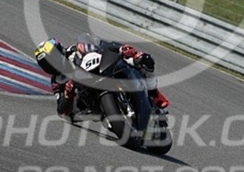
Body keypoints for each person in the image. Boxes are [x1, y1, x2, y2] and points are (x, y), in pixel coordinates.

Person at [34, 36, 170, 117]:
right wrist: (68, 94)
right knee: (72, 114)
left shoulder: (76, 50)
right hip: (88, 98)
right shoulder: (57, 81)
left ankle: (155, 93)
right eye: (45, 64)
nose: (50, 65)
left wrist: (122, 48)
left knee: (142, 59)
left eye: (51, 59)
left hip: (101, 70)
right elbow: (61, 110)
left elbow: (103, 45)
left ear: (59, 51)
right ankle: (110, 114)